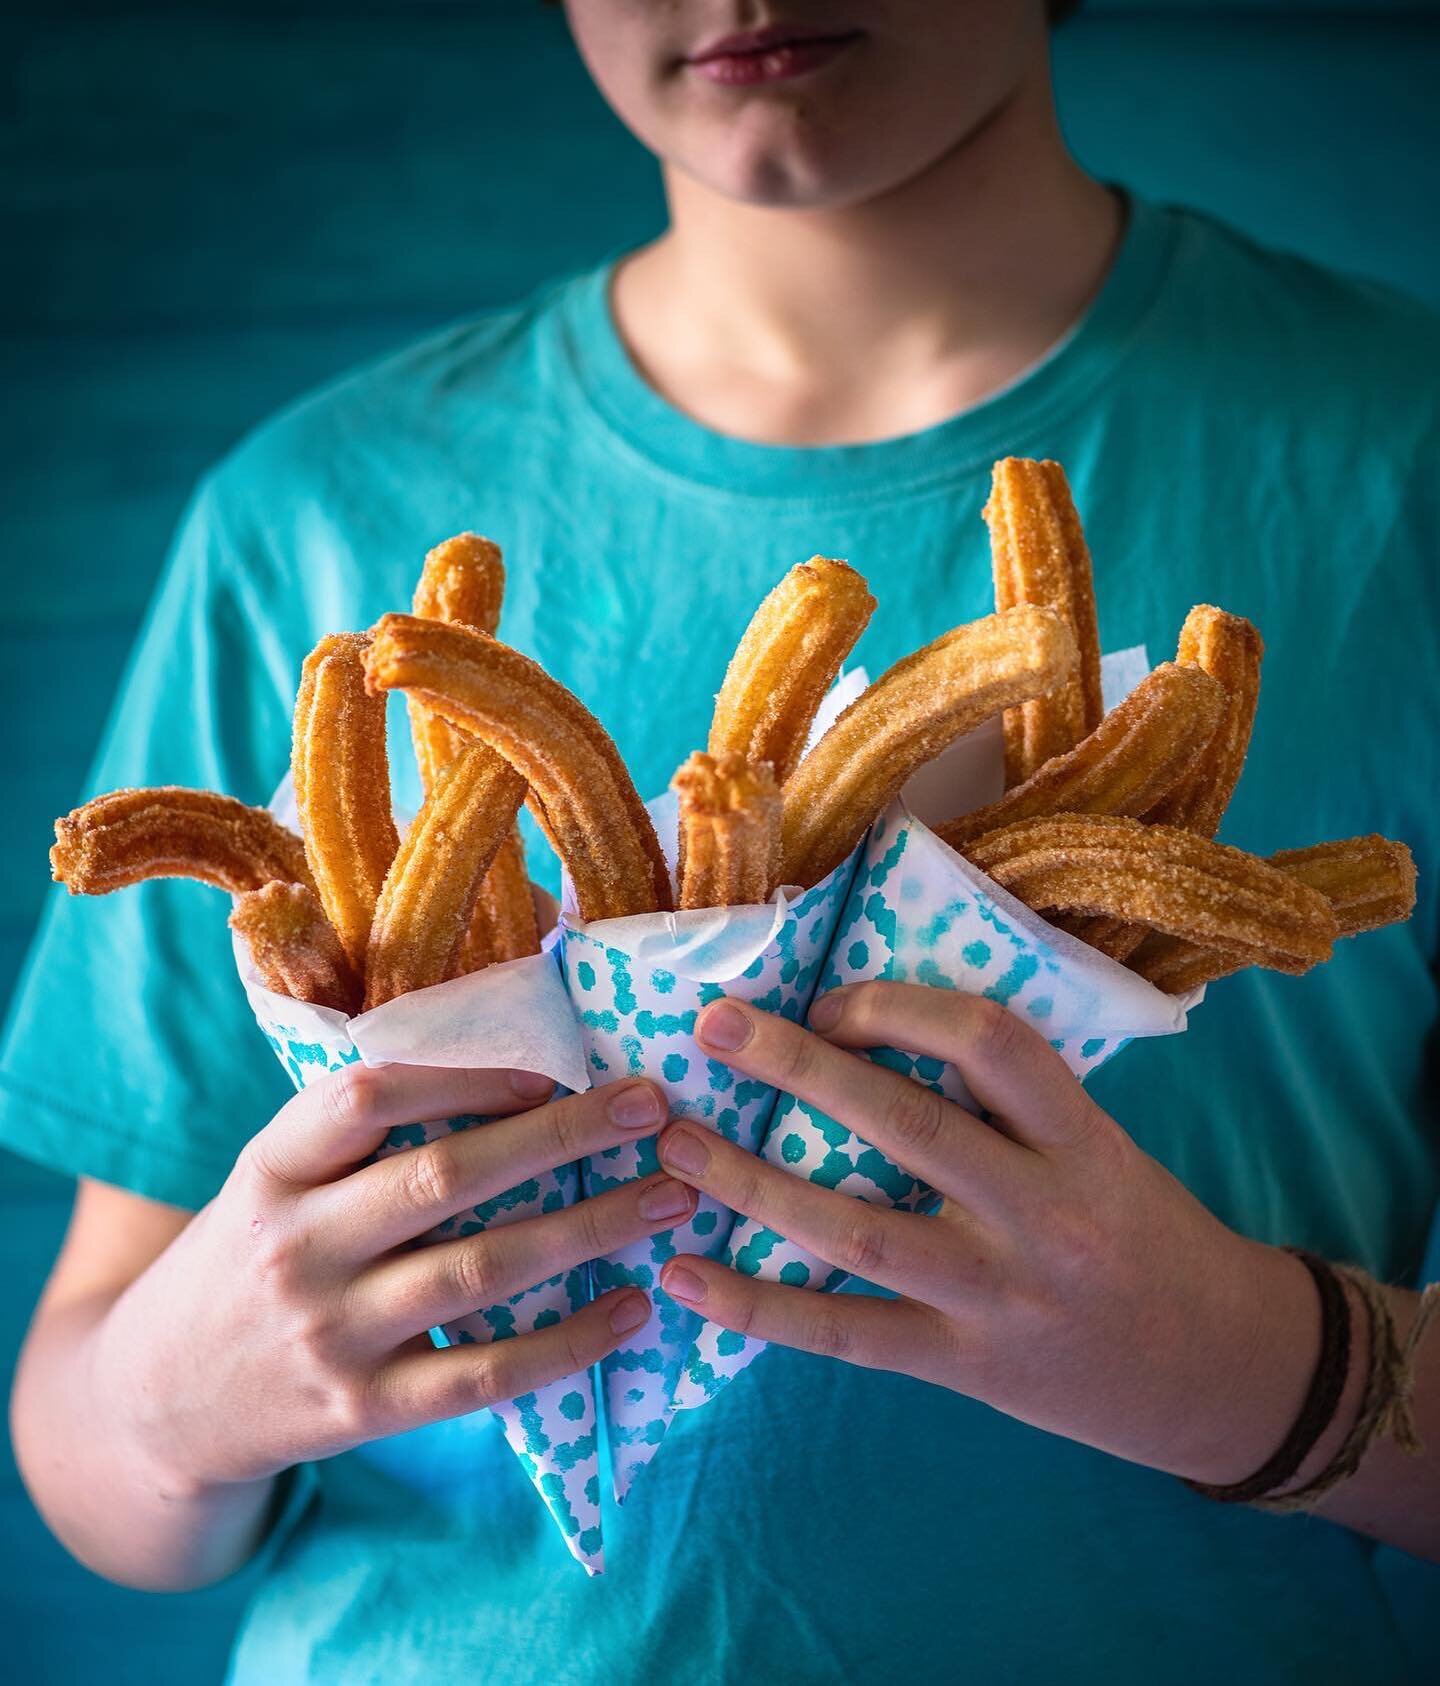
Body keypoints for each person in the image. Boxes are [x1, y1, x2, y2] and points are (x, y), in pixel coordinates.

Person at [4, 2, 1438, 1680]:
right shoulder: (304, 517)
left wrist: (1237, 1359)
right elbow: (95, 1441)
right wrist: (175, 1398)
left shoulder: (1394, 466)